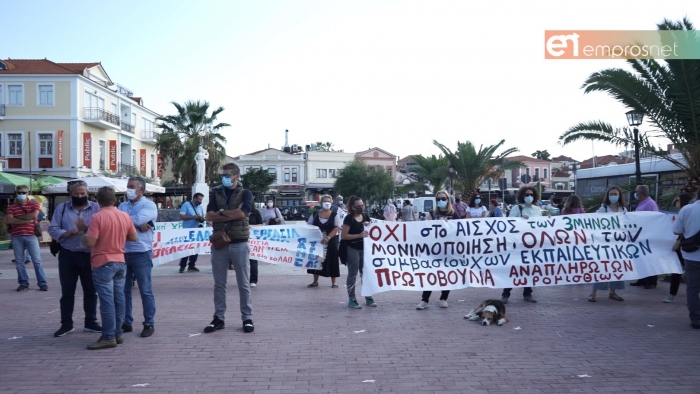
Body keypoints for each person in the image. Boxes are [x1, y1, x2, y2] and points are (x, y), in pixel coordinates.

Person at [82, 186, 138, 350]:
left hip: (102, 261)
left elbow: (90, 242)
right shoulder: (124, 216)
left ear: (97, 201)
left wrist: (81, 233)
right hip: (120, 260)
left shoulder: (97, 217)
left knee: (106, 302)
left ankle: (108, 336)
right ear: (115, 200)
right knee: (119, 298)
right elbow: (133, 237)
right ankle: (117, 333)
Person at [204, 163, 254, 334]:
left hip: (239, 242)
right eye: (223, 175)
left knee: (243, 283)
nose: (224, 178)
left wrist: (220, 213)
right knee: (219, 284)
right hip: (220, 244)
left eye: (228, 175)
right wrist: (230, 212)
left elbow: (243, 213)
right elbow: (208, 215)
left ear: (236, 176)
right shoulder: (216, 192)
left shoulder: (246, 193)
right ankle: (219, 318)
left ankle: (247, 317)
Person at [49, 180, 102, 337]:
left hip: (90, 254)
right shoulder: (62, 208)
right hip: (68, 254)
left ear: (87, 193)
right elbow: (53, 228)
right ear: (70, 194)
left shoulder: (96, 208)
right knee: (67, 292)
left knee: (91, 291)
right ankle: (66, 324)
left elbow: (102, 228)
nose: (80, 196)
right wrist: (65, 233)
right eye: (76, 193)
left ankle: (90, 322)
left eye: (83, 193)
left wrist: (86, 229)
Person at [118, 177, 158, 338]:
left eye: (132, 187)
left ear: (141, 189)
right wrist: (133, 223)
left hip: (141, 251)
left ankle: (149, 322)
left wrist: (126, 221)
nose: (129, 189)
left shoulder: (149, 205)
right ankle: (126, 321)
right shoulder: (122, 205)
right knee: (124, 289)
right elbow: (119, 222)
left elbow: (126, 220)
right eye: (128, 186)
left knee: (145, 290)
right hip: (122, 251)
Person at [417, 190, 460, 310]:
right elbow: (426, 230)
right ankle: (424, 300)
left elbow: (460, 232)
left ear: (448, 200)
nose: (441, 201)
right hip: (434, 250)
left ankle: (443, 298)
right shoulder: (432, 214)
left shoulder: (454, 215)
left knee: (446, 275)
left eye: (443, 198)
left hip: (449, 250)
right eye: (438, 199)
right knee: (430, 274)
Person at [501, 186, 541, 304]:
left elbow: (542, 225)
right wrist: (520, 219)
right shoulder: (516, 208)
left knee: (528, 269)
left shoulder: (537, 210)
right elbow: (510, 223)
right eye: (527, 194)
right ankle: (506, 294)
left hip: (531, 244)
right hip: (518, 243)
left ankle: (527, 293)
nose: (529, 196)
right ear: (522, 196)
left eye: (531, 194)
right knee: (514, 269)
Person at [587, 187, 626, 302]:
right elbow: (594, 223)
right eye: (611, 194)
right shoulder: (603, 209)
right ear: (608, 196)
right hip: (604, 244)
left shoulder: (623, 209)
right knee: (601, 267)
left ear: (619, 196)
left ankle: (612, 292)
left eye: (615, 194)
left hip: (618, 244)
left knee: (616, 267)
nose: (613, 196)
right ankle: (593, 293)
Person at [5, 185, 47, 292]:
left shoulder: (34, 204)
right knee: (19, 261)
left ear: (28, 193)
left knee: (37, 260)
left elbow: (34, 216)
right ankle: (23, 283)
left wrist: (17, 218)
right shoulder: (11, 207)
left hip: (31, 235)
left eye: (24, 192)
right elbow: (10, 220)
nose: (21, 194)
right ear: (16, 193)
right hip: (16, 236)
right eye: (19, 192)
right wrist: (26, 221)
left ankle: (42, 283)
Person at [341, 196, 377, 308]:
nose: (360, 208)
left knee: (365, 273)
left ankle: (368, 296)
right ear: (352, 207)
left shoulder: (365, 216)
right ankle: (352, 299)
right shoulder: (349, 218)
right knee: (353, 273)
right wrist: (359, 235)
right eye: (358, 206)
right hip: (352, 248)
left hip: (364, 249)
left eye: (362, 205)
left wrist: (369, 226)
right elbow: (344, 236)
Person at [672, 187, 700, 329]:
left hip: (692, 255)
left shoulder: (687, 209)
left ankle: (696, 319)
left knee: (693, 288)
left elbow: (677, 230)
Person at [307, 195, 341, 288]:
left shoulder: (335, 215)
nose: (327, 203)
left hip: (331, 241)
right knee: (316, 260)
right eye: (325, 201)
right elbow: (309, 226)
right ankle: (315, 281)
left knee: (332, 260)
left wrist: (328, 237)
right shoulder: (315, 214)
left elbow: (336, 227)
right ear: (321, 203)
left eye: (329, 201)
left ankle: (334, 282)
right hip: (317, 242)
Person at [665, 193, 694, 303]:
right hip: (683, 246)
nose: (676, 203)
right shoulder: (682, 211)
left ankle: (674, 294)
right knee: (676, 270)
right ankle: (672, 294)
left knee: (684, 271)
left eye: (678, 200)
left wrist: (679, 241)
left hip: (686, 246)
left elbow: (682, 230)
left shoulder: (687, 211)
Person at [631, 185, 660, 289]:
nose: (635, 194)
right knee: (641, 258)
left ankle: (651, 281)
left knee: (650, 259)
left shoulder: (650, 204)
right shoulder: (641, 203)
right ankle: (642, 279)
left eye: (637, 192)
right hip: (639, 235)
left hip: (648, 235)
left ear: (641, 193)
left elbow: (654, 219)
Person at [178, 193, 205, 273]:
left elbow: (203, 217)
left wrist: (201, 218)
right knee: (186, 248)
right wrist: (193, 217)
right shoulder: (186, 205)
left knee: (195, 248)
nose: (200, 202)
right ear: (194, 198)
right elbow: (181, 216)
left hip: (196, 231)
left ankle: (192, 265)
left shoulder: (200, 207)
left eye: (201, 200)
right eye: (199, 200)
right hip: (187, 230)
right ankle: (182, 266)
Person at [248, 196, 264, 287]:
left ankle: (253, 280)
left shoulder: (256, 212)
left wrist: (251, 226)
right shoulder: (240, 212)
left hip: (253, 239)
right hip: (241, 238)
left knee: (253, 260)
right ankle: (243, 279)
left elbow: (261, 224)